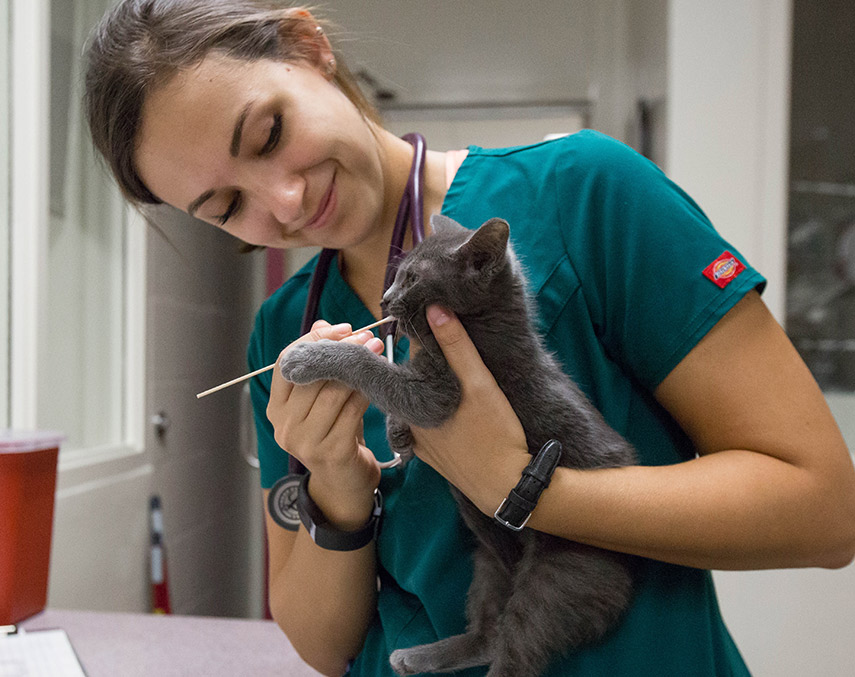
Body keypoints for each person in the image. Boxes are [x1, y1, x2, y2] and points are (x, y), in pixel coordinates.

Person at [84, 1, 855, 675]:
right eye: (226, 206)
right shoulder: (284, 334)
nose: (282, 202)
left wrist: (525, 488)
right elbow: (323, 644)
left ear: (306, 46)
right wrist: (335, 486)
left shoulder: (585, 194)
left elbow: (823, 510)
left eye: (268, 133)